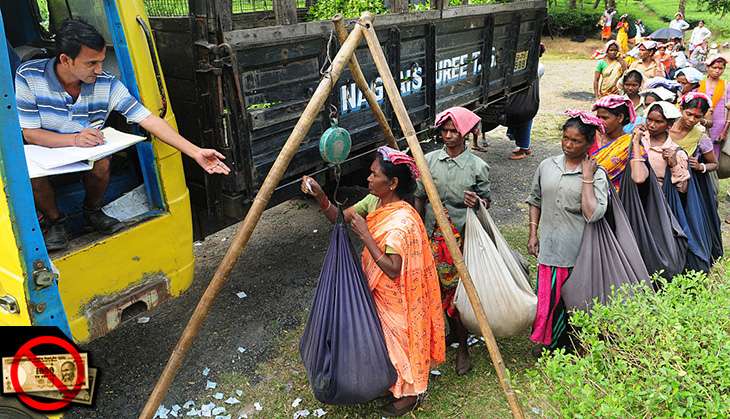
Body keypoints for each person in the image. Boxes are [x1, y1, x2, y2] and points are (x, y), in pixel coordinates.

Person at [14, 19, 230, 251]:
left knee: (103, 164)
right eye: (91, 63)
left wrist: (196, 152)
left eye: (101, 61)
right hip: (46, 150)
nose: (99, 69)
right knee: (28, 172)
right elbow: (31, 134)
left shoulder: (106, 84)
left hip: (86, 152)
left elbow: (148, 119)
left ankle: (92, 211)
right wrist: (74, 139)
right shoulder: (30, 76)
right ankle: (56, 221)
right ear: (66, 60)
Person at [301, 147, 445, 416]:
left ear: (392, 183)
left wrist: (366, 236)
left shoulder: (403, 220)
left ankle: (411, 392)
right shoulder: (372, 202)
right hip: (375, 286)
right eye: (370, 173)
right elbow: (339, 221)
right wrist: (320, 196)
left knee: (402, 339)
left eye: (374, 174)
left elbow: (392, 269)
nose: (368, 179)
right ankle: (388, 379)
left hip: (399, 293)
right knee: (382, 338)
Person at [414, 107, 490, 375]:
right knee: (435, 291)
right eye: (444, 131)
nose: (447, 136)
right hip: (433, 238)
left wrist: (478, 202)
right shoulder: (430, 161)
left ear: (466, 133)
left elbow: (486, 202)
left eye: (453, 131)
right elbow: (420, 196)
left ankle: (463, 347)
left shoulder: (477, 167)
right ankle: (448, 336)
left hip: (461, 240)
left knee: (458, 296)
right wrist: (419, 227)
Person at [527, 112, 609, 355]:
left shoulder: (597, 174)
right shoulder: (546, 166)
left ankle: (571, 345)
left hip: (578, 252)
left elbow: (593, 213)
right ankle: (547, 342)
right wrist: (533, 233)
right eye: (565, 138)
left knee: (574, 302)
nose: (568, 145)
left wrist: (586, 178)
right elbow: (535, 199)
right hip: (549, 248)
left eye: (576, 141)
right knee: (547, 299)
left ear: (589, 144)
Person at [591, 95, 649, 191]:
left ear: (620, 118)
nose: (599, 122)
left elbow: (639, 178)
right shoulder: (590, 138)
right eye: (598, 117)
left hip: (616, 200)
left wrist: (635, 143)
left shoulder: (629, 144)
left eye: (605, 118)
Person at [639, 101, 690, 192]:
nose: (651, 125)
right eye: (649, 119)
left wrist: (674, 165)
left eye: (658, 122)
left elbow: (683, 188)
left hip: (658, 200)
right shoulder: (639, 140)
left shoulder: (676, 152)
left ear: (669, 125)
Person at [670, 93, 717, 175]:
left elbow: (714, 164)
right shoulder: (666, 126)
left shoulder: (700, 136)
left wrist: (700, 167)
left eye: (697, 117)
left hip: (682, 181)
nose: (692, 119)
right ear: (681, 109)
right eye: (689, 114)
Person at [699, 55, 730, 156]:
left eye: (721, 68)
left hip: (719, 125)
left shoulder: (726, 85)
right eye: (714, 67)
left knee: (714, 153)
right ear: (707, 68)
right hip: (700, 123)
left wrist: (724, 130)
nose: (717, 71)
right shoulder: (699, 84)